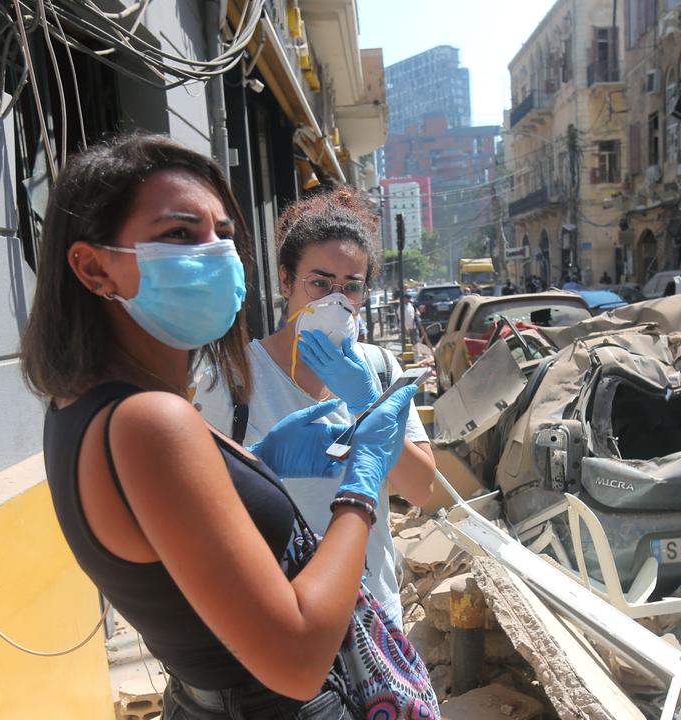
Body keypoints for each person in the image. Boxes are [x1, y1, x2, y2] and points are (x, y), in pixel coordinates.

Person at [22, 135, 419, 719]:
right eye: (180, 234)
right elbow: (299, 656)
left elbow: (178, 529)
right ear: (93, 266)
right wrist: (362, 484)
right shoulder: (151, 420)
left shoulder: (81, 406)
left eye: (223, 234)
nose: (213, 253)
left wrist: (257, 462)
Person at [198, 188, 434, 623]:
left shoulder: (380, 370)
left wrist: (369, 405)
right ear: (286, 281)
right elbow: (200, 512)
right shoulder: (233, 381)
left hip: (375, 616)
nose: (335, 300)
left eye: (352, 287)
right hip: (281, 618)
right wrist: (261, 461)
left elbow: (421, 490)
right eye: (320, 282)